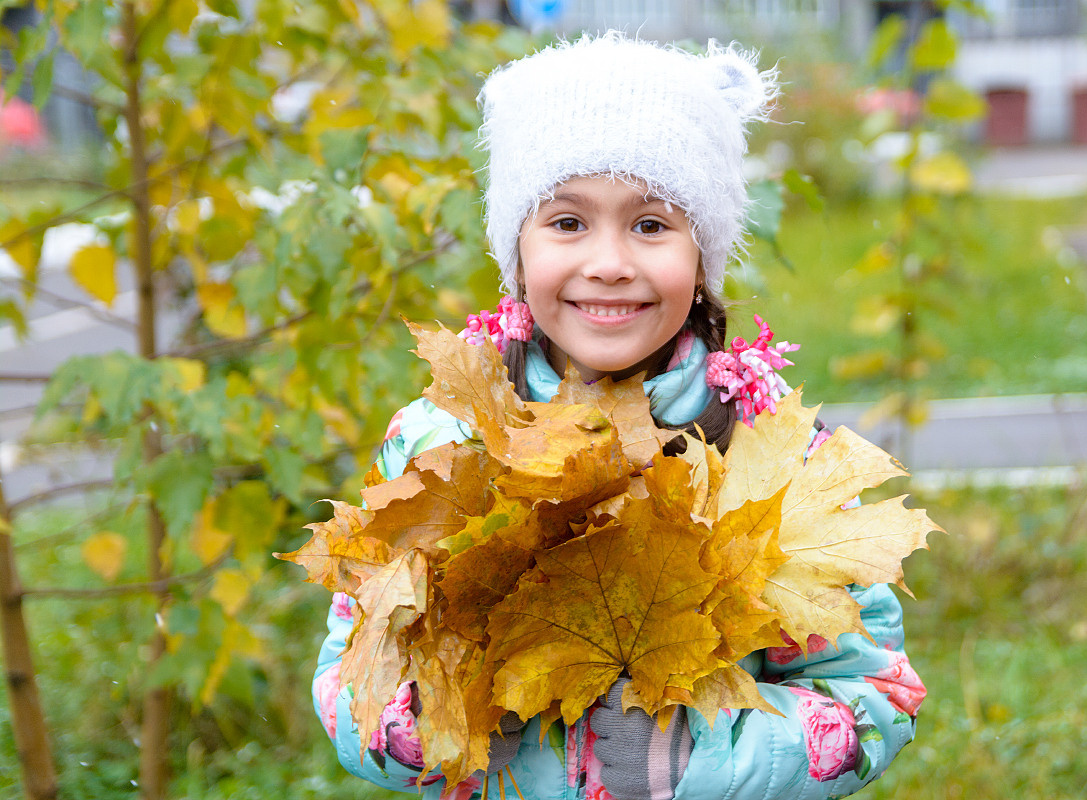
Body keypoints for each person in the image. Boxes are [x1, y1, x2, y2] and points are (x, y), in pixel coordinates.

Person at [312, 32, 926, 800]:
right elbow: (350, 671)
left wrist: (688, 762)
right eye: (568, 223)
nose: (609, 263)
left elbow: (872, 697)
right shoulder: (441, 443)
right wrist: (433, 721)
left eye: (651, 225)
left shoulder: (775, 461)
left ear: (701, 258)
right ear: (517, 252)